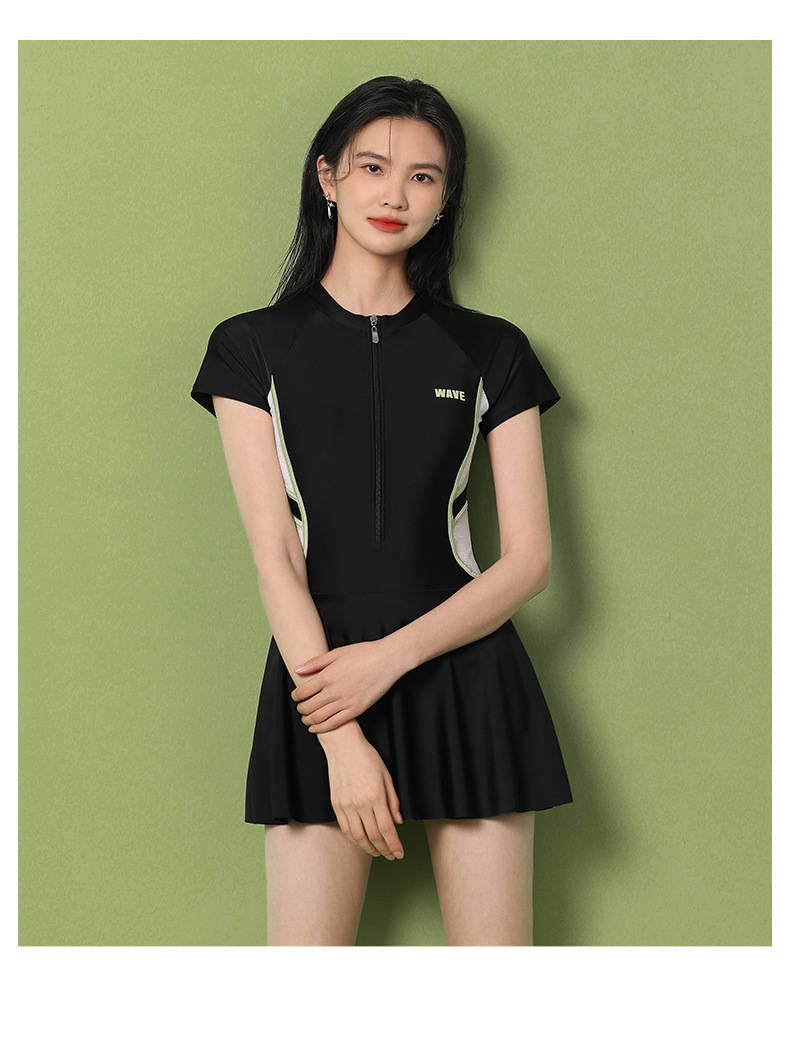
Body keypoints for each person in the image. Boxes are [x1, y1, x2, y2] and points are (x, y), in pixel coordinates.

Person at [190, 75, 573, 946]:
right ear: (327, 176)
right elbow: (276, 557)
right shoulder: (250, 348)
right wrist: (340, 732)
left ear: (446, 199)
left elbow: (528, 561)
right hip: (319, 681)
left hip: (466, 673)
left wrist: (386, 661)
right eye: (373, 167)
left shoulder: (492, 349)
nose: (395, 194)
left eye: (423, 177)